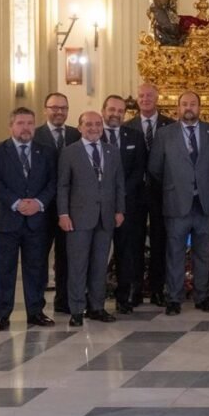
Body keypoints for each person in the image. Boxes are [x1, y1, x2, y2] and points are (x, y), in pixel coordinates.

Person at [148, 91, 209, 316]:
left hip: (204, 204)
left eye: (193, 104)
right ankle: (174, 298)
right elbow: (155, 169)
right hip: (176, 204)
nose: (189, 107)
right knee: (175, 252)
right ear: (178, 108)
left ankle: (202, 296)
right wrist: (176, 185)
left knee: (204, 253)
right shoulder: (165, 135)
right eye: (184, 104)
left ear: (200, 107)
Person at [0, 107, 57, 332]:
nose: (26, 128)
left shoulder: (45, 151)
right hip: (6, 220)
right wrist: (17, 203)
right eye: (21, 123)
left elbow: (52, 182)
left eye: (30, 123)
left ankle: (35, 312)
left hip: (36, 220)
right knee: (4, 269)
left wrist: (38, 203)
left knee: (36, 269)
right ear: (11, 126)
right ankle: (2, 315)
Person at [57, 111, 125, 327]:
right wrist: (63, 214)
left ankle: (97, 307)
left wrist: (119, 210)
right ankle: (76, 309)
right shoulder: (69, 152)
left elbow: (118, 184)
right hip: (78, 218)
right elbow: (63, 186)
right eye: (88, 124)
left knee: (99, 265)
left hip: (105, 217)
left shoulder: (112, 151)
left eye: (97, 124)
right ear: (79, 127)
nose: (94, 128)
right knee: (77, 265)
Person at [123, 82, 175, 307]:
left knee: (159, 241)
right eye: (141, 96)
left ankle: (157, 289)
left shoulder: (170, 125)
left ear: (157, 98)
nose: (145, 99)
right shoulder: (127, 127)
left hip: (162, 193)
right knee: (133, 242)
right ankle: (135, 289)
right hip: (134, 194)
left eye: (149, 96)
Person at [32, 92, 80, 315]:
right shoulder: (34, 135)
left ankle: (64, 301)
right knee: (39, 258)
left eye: (63, 108)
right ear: (45, 109)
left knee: (67, 257)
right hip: (42, 208)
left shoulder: (76, 134)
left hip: (70, 209)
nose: (59, 111)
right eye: (54, 107)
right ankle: (36, 306)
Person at [101, 94, 147, 315]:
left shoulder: (135, 136)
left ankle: (124, 298)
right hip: (97, 206)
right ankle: (95, 299)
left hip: (128, 207)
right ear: (103, 110)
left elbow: (139, 171)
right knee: (97, 254)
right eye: (112, 110)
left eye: (120, 111)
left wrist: (120, 198)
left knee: (126, 254)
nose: (116, 114)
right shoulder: (92, 133)